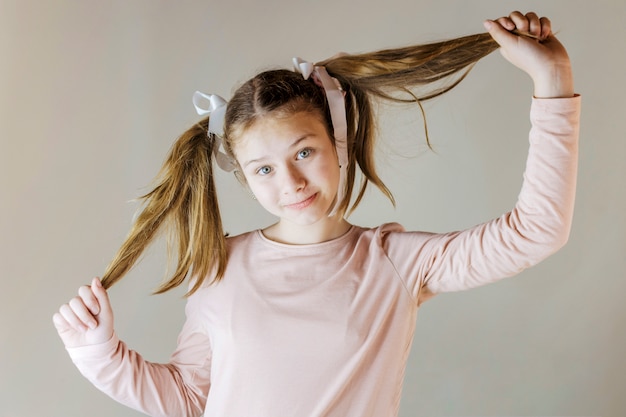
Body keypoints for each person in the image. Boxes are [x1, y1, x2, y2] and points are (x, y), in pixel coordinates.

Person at [53, 11, 580, 417]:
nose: (291, 183)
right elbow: (192, 399)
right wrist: (99, 353)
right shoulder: (219, 267)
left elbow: (536, 231)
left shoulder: (395, 263)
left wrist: (553, 78)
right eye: (264, 169)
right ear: (243, 175)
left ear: (338, 141)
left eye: (303, 152)